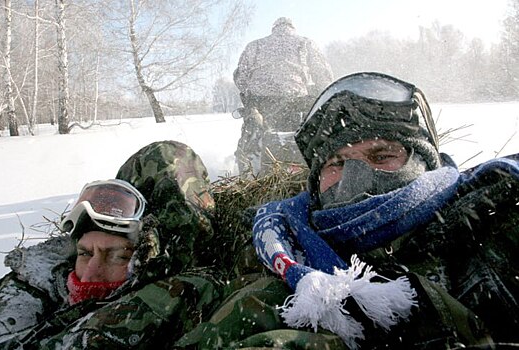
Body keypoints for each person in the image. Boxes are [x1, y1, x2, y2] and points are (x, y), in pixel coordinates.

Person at [178, 72, 519, 349]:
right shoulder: (282, 242)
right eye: (336, 162)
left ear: (422, 164)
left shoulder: (492, 218)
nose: (353, 179)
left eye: (381, 156)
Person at [0, 140, 222, 348]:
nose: (89, 275)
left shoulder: (164, 301)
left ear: (149, 260)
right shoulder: (38, 279)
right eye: (84, 253)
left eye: (117, 256)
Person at [233, 17, 334, 175]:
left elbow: (240, 77)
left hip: (261, 104)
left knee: (251, 142)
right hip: (296, 101)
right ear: (292, 28)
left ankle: (248, 176)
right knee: (306, 139)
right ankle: (305, 173)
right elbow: (323, 75)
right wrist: (318, 94)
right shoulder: (305, 43)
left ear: (274, 29)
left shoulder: (255, 45)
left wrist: (250, 95)